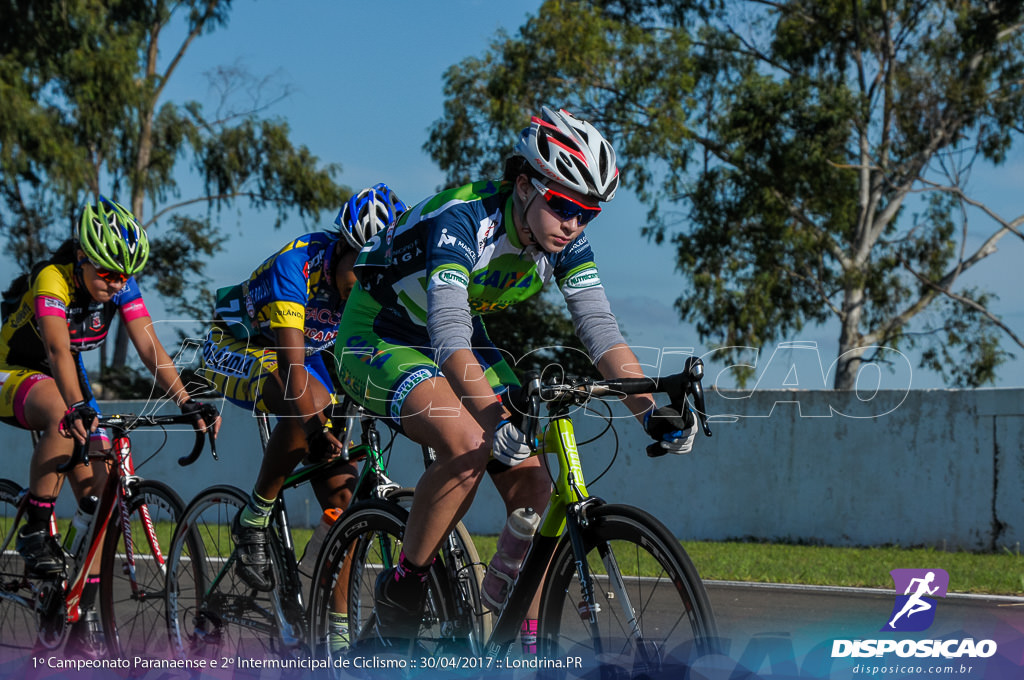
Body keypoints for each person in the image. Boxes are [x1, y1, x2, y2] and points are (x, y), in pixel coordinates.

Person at [334, 107, 698, 650]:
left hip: (454, 335)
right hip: (379, 332)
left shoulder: (565, 243)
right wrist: (488, 415)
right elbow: (449, 334)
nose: (574, 223)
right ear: (525, 185)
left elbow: (600, 331)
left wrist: (652, 411)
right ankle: (401, 592)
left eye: (589, 214)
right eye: (565, 206)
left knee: (533, 481)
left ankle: (512, 635)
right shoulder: (464, 220)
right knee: (467, 442)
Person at [0, 196, 219, 657]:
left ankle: (76, 619)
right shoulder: (52, 278)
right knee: (64, 412)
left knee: (98, 501)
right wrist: (77, 408)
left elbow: (149, 345)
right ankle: (36, 529)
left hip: (65, 380)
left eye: (124, 275)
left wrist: (185, 399)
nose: (116, 283)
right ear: (82, 257)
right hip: (15, 369)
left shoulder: (121, 286)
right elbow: (58, 351)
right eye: (107, 273)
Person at [199, 184, 406, 604]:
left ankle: (335, 635)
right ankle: (253, 519)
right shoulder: (296, 265)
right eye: (361, 273)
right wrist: (315, 428)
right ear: (341, 250)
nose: (368, 287)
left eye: (378, 278)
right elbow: (293, 370)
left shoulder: (370, 287)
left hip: (306, 358)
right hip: (238, 345)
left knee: (346, 504)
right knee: (307, 401)